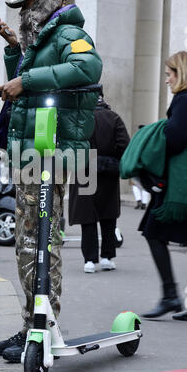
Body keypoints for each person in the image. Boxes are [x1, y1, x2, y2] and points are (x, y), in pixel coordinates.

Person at [0, 0, 103, 362]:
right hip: (30, 152)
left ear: (47, 2)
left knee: (42, 240)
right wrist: (13, 52)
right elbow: (24, 86)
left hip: (51, 153)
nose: (22, 13)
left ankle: (41, 326)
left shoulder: (69, 31)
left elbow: (88, 69)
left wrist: (27, 77)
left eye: (27, 5)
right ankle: (31, 324)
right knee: (27, 242)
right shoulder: (41, 40)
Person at [138, 51, 187, 320]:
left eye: (168, 74)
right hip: (186, 184)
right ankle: (171, 295)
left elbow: (175, 139)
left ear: (180, 73)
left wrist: (155, 132)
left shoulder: (186, 100)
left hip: (179, 186)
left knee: (153, 231)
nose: (166, 80)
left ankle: (171, 295)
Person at [68, 95, 130, 273]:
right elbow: (125, 146)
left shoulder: (80, 118)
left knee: (88, 218)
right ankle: (107, 257)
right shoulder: (114, 118)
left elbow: (72, 147)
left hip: (84, 174)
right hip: (108, 174)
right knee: (108, 217)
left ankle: (89, 260)